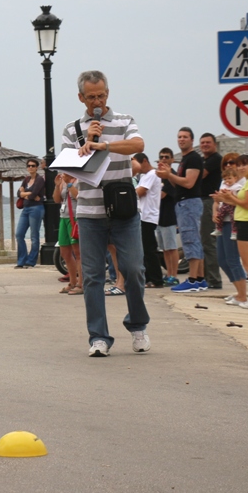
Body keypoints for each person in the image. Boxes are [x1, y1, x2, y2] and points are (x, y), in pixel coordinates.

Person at [61, 70, 149, 357]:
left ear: (107, 93)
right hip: (89, 212)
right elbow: (65, 167)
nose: (96, 101)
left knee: (134, 269)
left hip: (123, 210)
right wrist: (85, 144)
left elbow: (138, 146)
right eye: (90, 97)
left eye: (100, 95)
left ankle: (137, 326)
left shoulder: (125, 121)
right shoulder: (71, 129)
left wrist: (105, 145)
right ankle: (98, 337)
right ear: (81, 97)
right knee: (93, 276)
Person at [212, 154, 248, 310]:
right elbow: (240, 203)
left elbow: (246, 204)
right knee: (246, 263)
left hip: (247, 224)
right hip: (242, 223)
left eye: (245, 164)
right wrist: (224, 198)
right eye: (239, 165)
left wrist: (230, 198)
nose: (241, 167)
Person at [158, 128, 205, 292]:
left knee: (191, 240)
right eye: (179, 137)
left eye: (185, 137)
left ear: (192, 140)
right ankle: (200, 279)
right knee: (192, 239)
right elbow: (178, 185)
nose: (181, 139)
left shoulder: (193, 159)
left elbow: (188, 183)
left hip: (189, 203)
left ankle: (192, 280)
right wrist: (166, 175)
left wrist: (169, 175)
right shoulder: (184, 160)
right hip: (183, 202)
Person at [211, 157, 248, 304]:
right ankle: (239, 291)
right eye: (226, 163)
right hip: (223, 223)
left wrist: (225, 198)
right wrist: (215, 213)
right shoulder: (224, 181)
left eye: (232, 163)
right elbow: (218, 201)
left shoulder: (243, 183)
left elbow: (237, 201)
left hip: (234, 223)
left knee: (233, 259)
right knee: (222, 259)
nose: (229, 166)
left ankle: (243, 295)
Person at [133, 153, 163, 288]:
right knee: (144, 249)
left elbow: (140, 192)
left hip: (148, 216)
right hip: (144, 216)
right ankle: (149, 278)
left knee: (149, 249)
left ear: (144, 161)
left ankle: (156, 279)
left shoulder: (152, 174)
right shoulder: (145, 176)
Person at [198, 133, 223, 289]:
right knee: (202, 242)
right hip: (201, 202)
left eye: (208, 142)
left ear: (214, 144)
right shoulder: (203, 160)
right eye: (203, 143)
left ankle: (214, 279)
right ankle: (207, 277)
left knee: (208, 242)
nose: (205, 145)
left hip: (209, 202)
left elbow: (199, 176)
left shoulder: (215, 159)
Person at [52, 172, 80, 294]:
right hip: (64, 217)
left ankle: (81, 283)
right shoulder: (63, 180)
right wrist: (57, 185)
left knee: (78, 251)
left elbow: (78, 196)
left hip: (75, 217)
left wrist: (69, 183)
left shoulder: (79, 180)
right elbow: (56, 199)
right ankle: (72, 281)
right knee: (64, 251)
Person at [156, 148, 180, 287]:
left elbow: (161, 195)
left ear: (172, 159)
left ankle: (174, 275)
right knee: (164, 249)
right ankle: (169, 274)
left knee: (172, 248)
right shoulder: (159, 176)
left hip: (169, 217)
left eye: (166, 157)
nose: (163, 159)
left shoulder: (171, 176)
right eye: (161, 157)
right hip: (159, 217)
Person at [14, 158, 45, 268]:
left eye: (33, 166)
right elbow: (18, 193)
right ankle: (21, 260)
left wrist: (25, 194)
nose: (30, 167)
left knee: (34, 235)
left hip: (36, 208)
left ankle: (31, 261)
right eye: (29, 166)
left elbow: (34, 194)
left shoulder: (40, 179)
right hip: (26, 208)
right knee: (19, 234)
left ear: (37, 167)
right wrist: (26, 194)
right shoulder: (26, 179)